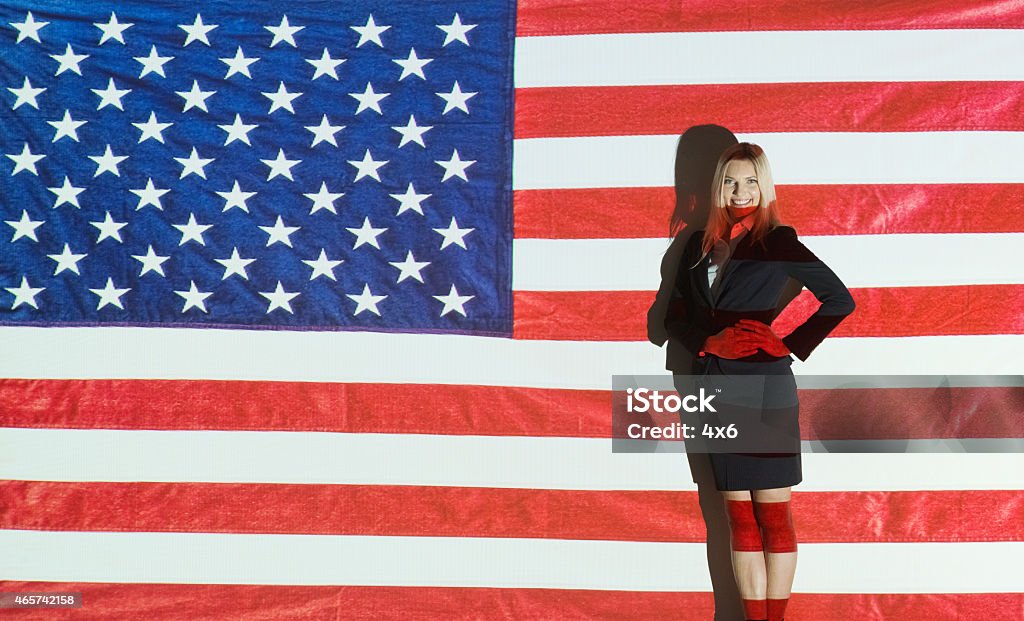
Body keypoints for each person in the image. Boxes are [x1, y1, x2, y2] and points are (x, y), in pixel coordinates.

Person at [664, 143, 855, 621]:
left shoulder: (780, 241)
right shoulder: (695, 245)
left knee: (772, 513)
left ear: (764, 186)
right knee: (737, 516)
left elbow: (839, 300)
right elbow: (673, 317)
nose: (740, 191)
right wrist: (709, 343)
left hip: (766, 388)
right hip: (714, 386)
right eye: (730, 181)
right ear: (717, 187)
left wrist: (785, 342)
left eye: (750, 181)